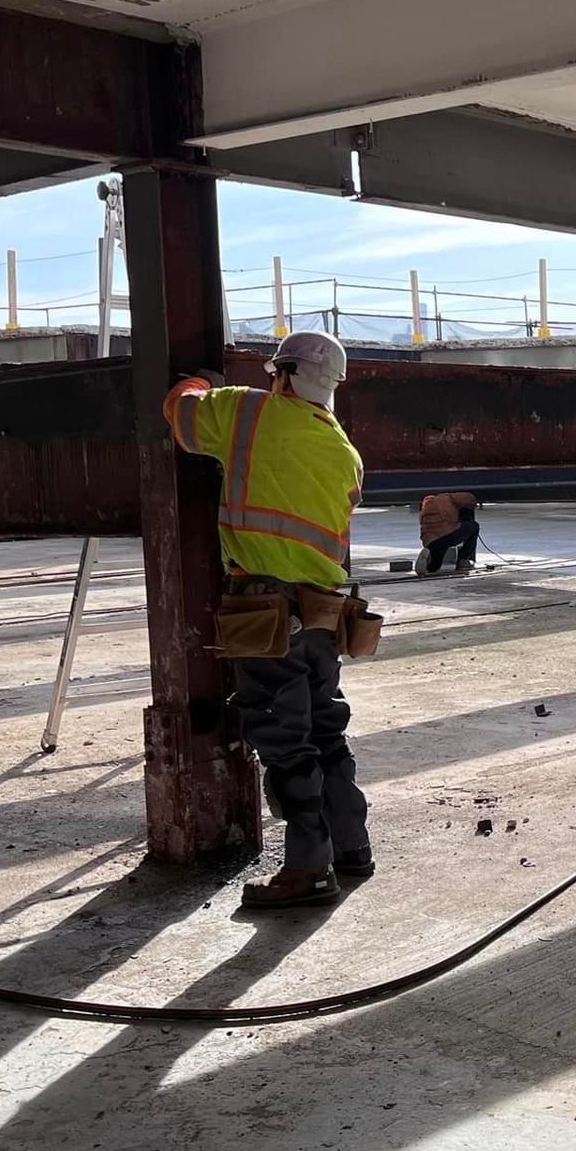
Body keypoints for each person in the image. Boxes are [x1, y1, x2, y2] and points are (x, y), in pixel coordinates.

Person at [163, 331, 372, 908]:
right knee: (327, 729)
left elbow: (179, 415)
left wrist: (200, 379)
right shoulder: (346, 453)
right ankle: (352, 850)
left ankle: (309, 871)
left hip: (266, 609)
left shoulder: (246, 411)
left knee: (284, 741)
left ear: (280, 373)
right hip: (324, 612)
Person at [415, 491, 479, 575]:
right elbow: (468, 498)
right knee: (474, 527)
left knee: (434, 567)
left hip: (430, 541)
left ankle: (428, 559)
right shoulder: (448, 498)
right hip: (447, 535)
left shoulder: (426, 508)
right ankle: (463, 561)